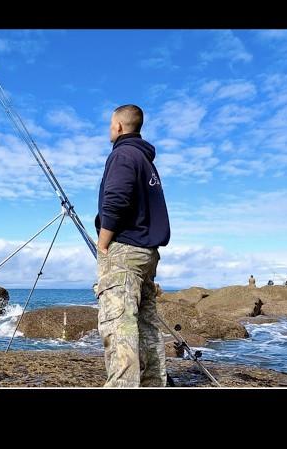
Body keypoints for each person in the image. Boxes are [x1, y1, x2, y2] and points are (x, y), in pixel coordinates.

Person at [94, 104, 170, 387]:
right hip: (147, 254)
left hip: (125, 251)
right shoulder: (145, 160)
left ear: (119, 127)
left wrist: (103, 245)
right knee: (146, 326)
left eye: (110, 125)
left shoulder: (123, 155)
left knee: (119, 327)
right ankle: (153, 383)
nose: (109, 129)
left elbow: (116, 199)